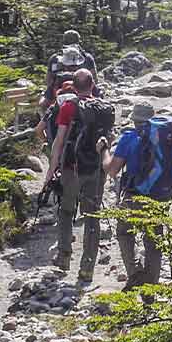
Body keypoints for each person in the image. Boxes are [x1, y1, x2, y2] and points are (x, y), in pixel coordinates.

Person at [103, 101, 172, 288]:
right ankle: (150, 292)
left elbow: (112, 170)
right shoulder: (165, 137)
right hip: (160, 197)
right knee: (153, 242)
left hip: (135, 196)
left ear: (134, 120)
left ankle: (135, 274)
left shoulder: (129, 138)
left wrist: (104, 150)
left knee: (124, 233)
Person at [43, 68, 115, 279]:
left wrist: (51, 169)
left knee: (66, 212)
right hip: (95, 169)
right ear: (93, 85)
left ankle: (64, 257)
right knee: (92, 217)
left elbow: (59, 141)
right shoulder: (106, 108)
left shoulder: (68, 106)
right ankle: (87, 268)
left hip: (71, 168)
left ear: (73, 86)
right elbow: (109, 139)